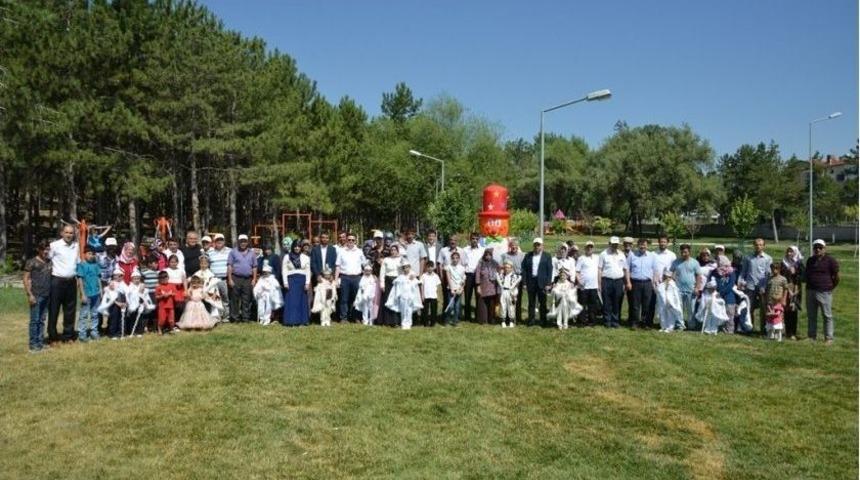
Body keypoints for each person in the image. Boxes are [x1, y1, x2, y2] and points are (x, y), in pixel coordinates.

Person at [47, 224, 80, 343]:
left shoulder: (77, 246)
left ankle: (68, 336)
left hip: (71, 281)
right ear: (62, 233)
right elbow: (47, 260)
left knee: (70, 310)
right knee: (54, 309)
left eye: (71, 233)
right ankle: (52, 337)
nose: (69, 235)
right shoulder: (54, 245)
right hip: (57, 281)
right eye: (66, 232)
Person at [805, 239, 839, 344]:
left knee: (827, 315)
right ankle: (811, 336)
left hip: (825, 292)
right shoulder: (810, 260)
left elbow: (836, 277)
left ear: (825, 248)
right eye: (815, 247)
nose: (818, 249)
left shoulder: (831, 261)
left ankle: (829, 338)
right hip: (810, 290)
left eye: (820, 247)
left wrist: (830, 287)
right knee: (811, 315)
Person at [740, 238, 773, 335]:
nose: (758, 246)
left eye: (760, 244)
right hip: (750, 286)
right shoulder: (748, 258)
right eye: (756, 244)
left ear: (764, 246)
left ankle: (764, 330)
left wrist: (764, 286)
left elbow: (768, 274)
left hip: (762, 287)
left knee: (764, 309)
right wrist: (741, 281)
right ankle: (749, 328)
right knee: (749, 309)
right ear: (754, 246)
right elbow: (744, 272)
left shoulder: (768, 258)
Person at [24, 241, 52, 352]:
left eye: (47, 249)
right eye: (44, 249)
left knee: (42, 320)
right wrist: (29, 294)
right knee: (34, 320)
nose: (46, 251)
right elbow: (25, 278)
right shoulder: (31, 262)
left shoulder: (50, 262)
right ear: (39, 250)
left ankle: (40, 342)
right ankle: (33, 345)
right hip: (36, 295)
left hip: (47, 295)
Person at [598, 236, 629, 329]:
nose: (615, 246)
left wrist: (627, 282)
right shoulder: (603, 254)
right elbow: (600, 269)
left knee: (617, 302)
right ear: (609, 244)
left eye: (616, 244)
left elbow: (625, 269)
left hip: (618, 281)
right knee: (607, 302)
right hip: (606, 280)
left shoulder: (621, 254)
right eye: (613, 244)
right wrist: (599, 283)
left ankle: (615, 321)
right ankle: (607, 321)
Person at [521, 237, 553, 327]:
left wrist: (548, 283)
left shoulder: (547, 256)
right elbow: (524, 269)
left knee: (542, 302)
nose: (537, 247)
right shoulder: (528, 255)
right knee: (531, 302)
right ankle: (531, 320)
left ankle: (543, 320)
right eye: (535, 245)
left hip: (542, 282)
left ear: (542, 246)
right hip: (531, 281)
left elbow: (550, 270)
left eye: (539, 245)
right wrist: (524, 283)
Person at [627, 238, 657, 329]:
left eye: (644, 244)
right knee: (635, 304)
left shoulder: (652, 256)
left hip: (647, 283)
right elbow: (627, 270)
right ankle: (635, 322)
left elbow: (655, 270)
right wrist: (628, 282)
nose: (642, 246)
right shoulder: (632, 255)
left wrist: (654, 283)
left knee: (646, 304)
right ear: (637, 245)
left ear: (647, 246)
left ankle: (645, 323)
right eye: (640, 244)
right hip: (635, 283)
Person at [227, 234, 258, 323]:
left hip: (248, 278)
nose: (243, 243)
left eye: (244, 241)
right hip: (235, 277)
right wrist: (230, 279)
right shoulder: (233, 252)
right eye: (241, 241)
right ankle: (235, 318)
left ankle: (246, 318)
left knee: (246, 299)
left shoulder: (252, 253)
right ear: (238, 242)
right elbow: (229, 266)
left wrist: (254, 279)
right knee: (234, 299)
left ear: (247, 242)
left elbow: (254, 267)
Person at [336, 232, 366, 323]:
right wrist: (336, 279)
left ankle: (355, 317)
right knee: (344, 299)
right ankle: (344, 318)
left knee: (356, 299)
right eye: (349, 240)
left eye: (353, 240)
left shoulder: (359, 251)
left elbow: (364, 264)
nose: (351, 241)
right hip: (345, 277)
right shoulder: (342, 251)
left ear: (355, 241)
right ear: (346, 240)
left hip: (357, 278)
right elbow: (338, 266)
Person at [647, 236, 676, 325]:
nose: (662, 243)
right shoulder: (653, 254)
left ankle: (667, 322)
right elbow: (650, 268)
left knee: (666, 303)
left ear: (667, 243)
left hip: (667, 283)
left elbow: (674, 269)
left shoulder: (672, 255)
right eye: (661, 242)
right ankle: (649, 321)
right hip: (654, 282)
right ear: (658, 242)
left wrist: (670, 280)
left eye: (664, 242)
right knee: (651, 303)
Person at [670, 244, 700, 330]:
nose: (683, 254)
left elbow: (698, 276)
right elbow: (671, 272)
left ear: (689, 252)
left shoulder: (695, 262)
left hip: (691, 290)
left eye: (685, 252)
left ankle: (691, 326)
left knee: (691, 310)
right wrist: (671, 279)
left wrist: (697, 287)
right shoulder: (676, 262)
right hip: (679, 290)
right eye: (682, 252)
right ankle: (680, 325)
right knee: (679, 309)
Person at [706, 255, 738, 334]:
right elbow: (710, 281)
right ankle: (719, 328)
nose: (718, 263)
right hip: (717, 297)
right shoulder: (714, 272)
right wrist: (712, 288)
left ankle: (729, 330)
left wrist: (721, 292)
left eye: (720, 261)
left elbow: (731, 285)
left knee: (729, 313)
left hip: (729, 297)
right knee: (718, 313)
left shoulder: (731, 272)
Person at [281, 240, 311, 326]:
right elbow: (284, 270)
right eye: (295, 246)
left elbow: (308, 271)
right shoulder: (287, 257)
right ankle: (291, 321)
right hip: (291, 280)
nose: (297, 248)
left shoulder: (306, 258)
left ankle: (302, 321)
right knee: (292, 301)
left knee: (302, 301)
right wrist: (285, 282)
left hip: (302, 280)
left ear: (301, 247)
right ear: (292, 247)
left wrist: (307, 283)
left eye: (298, 246)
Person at [76, 247, 102, 342]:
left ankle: (94, 332)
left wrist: (101, 291)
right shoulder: (81, 265)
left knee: (95, 314)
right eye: (89, 253)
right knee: (84, 314)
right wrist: (82, 294)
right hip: (86, 294)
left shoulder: (96, 265)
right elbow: (80, 280)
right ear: (85, 254)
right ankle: (82, 334)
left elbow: (98, 278)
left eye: (93, 254)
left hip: (96, 293)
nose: (91, 256)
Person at [385, 263, 422, 330]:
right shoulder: (400, 277)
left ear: (409, 268)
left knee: (409, 310)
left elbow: (415, 287)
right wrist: (398, 295)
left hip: (410, 297)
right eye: (404, 268)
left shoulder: (412, 276)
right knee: (403, 310)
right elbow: (397, 287)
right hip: (403, 296)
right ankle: (403, 324)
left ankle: (409, 323)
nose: (406, 269)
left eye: (407, 267)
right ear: (403, 269)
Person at [780, 246, 804, 340]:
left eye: (792, 252)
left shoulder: (799, 263)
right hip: (786, 288)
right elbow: (781, 274)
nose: (789, 253)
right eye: (788, 251)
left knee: (793, 310)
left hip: (796, 289)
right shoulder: (784, 263)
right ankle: (787, 332)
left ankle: (793, 332)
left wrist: (795, 272)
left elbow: (803, 276)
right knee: (786, 310)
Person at [574, 241, 600, 326]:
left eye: (591, 247)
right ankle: (581, 321)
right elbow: (577, 271)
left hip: (594, 286)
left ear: (593, 248)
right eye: (588, 247)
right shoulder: (581, 258)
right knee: (582, 304)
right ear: (585, 248)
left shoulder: (597, 258)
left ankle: (592, 321)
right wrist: (579, 282)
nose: (589, 248)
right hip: (583, 286)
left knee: (592, 305)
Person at [379, 244, 405, 327]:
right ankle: (387, 321)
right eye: (392, 250)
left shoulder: (401, 259)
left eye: (395, 250)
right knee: (387, 301)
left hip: (398, 282)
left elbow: (405, 269)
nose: (393, 252)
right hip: (388, 281)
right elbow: (382, 272)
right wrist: (382, 284)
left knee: (397, 301)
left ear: (397, 251)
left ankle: (397, 321)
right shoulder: (386, 259)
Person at [500, 238, 525, 324]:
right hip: (508, 279)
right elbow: (501, 268)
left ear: (518, 246)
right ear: (510, 246)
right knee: (508, 299)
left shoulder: (522, 255)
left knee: (517, 299)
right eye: (512, 245)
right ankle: (507, 318)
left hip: (518, 279)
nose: (514, 246)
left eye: (515, 245)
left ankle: (517, 318)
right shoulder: (505, 256)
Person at [461, 232, 485, 323]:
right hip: (468, 275)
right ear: (470, 239)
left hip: (478, 276)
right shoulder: (465, 250)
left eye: (476, 238)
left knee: (479, 296)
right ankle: (467, 316)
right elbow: (462, 263)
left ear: (478, 240)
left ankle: (478, 317)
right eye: (473, 238)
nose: (474, 240)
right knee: (467, 296)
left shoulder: (482, 250)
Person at [207, 233, 231, 320]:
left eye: (221, 240)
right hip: (214, 279)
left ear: (224, 241)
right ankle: (217, 317)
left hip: (225, 279)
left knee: (225, 298)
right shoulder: (210, 252)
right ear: (214, 242)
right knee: (215, 298)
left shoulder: (230, 251)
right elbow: (207, 265)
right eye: (217, 240)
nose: (219, 242)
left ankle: (226, 316)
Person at [125, 269, 154, 337]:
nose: (137, 280)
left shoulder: (142, 286)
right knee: (132, 319)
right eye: (135, 279)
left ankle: (139, 331)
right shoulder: (130, 287)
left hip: (140, 305)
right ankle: (132, 331)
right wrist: (128, 304)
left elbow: (145, 296)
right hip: (132, 306)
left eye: (138, 278)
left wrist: (145, 302)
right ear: (132, 279)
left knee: (140, 319)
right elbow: (127, 296)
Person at [100, 268, 128, 339]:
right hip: (114, 304)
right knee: (114, 319)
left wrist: (126, 303)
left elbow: (128, 294)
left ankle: (121, 333)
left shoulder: (123, 284)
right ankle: (113, 334)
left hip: (123, 303)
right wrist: (117, 303)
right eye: (115, 275)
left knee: (122, 319)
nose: (117, 277)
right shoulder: (111, 284)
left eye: (119, 276)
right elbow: (109, 295)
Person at [475, 248, 500, 325]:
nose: (488, 256)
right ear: (484, 255)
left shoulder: (495, 263)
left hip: (493, 286)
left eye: (490, 255)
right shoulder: (480, 263)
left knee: (492, 304)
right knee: (483, 304)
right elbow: (477, 275)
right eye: (487, 255)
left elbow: (500, 272)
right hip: (483, 286)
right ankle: (483, 320)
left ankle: (492, 319)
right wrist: (478, 285)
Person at [438, 234, 461, 314]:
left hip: (457, 277)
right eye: (451, 240)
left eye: (454, 240)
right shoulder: (443, 250)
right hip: (446, 276)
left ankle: (457, 316)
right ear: (449, 241)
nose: (453, 242)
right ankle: (445, 316)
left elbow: (464, 264)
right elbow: (440, 264)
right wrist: (441, 276)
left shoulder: (461, 251)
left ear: (457, 241)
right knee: (446, 297)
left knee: (457, 296)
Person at [765, 262, 788, 341]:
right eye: (773, 269)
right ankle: (771, 333)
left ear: (779, 269)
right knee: (770, 317)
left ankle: (780, 333)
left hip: (779, 301)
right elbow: (767, 289)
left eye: (776, 269)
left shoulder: (783, 279)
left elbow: (785, 289)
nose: (774, 270)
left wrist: (784, 299)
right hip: (770, 301)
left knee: (779, 317)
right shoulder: (769, 278)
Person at [444, 251, 466, 327]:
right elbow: (448, 278)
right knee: (450, 306)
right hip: (451, 289)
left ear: (459, 259)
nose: (455, 259)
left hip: (459, 290)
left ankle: (455, 321)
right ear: (451, 259)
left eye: (457, 258)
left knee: (457, 307)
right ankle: (446, 320)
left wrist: (461, 289)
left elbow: (463, 280)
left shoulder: (462, 268)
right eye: (453, 258)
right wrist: (451, 289)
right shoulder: (448, 267)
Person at [497, 261, 520, 328]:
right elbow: (499, 281)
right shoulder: (501, 275)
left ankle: (511, 321)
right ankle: (503, 321)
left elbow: (515, 286)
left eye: (508, 267)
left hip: (510, 292)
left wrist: (514, 294)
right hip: (503, 291)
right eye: (505, 267)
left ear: (511, 268)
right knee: (503, 306)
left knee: (511, 307)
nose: (507, 269)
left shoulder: (515, 277)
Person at [420, 261, 441, 327]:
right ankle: (425, 323)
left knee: (433, 310)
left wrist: (438, 295)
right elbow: (422, 286)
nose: (429, 268)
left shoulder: (436, 276)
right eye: (428, 267)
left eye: (431, 267)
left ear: (433, 267)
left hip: (433, 295)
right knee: (425, 310)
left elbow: (438, 286)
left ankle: (433, 323)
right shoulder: (423, 276)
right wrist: (422, 295)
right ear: (426, 267)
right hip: (426, 295)